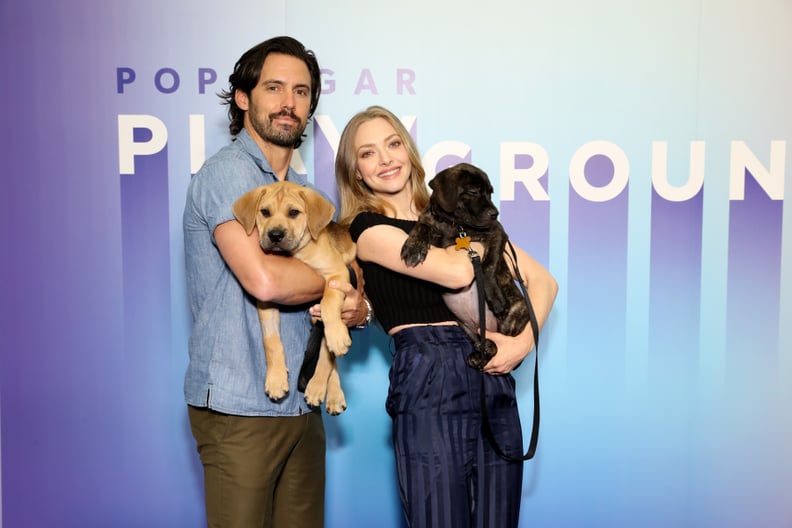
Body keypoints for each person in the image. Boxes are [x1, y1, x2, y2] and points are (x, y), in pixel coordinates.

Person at [333, 105, 558, 528]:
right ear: (356, 172)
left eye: (393, 143)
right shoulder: (367, 230)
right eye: (368, 153)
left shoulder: (457, 220)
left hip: (491, 370)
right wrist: (480, 247)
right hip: (427, 377)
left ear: (410, 152)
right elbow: (456, 272)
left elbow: (544, 282)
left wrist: (522, 344)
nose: (385, 159)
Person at [182, 36, 368, 528]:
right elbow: (264, 280)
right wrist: (335, 279)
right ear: (243, 98)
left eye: (302, 92)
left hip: (302, 404)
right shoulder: (228, 176)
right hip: (239, 404)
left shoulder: (304, 195)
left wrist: (356, 306)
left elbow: (352, 291)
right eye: (275, 88)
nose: (289, 103)